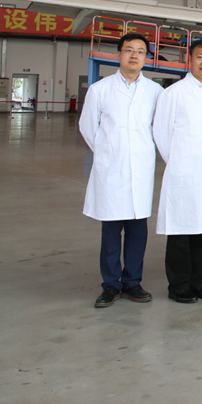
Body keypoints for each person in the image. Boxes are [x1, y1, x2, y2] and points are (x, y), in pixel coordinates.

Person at [79, 32, 163, 308]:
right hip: (111, 170)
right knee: (111, 231)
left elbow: (159, 128)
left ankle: (132, 282)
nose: (134, 55)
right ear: (118, 54)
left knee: (138, 230)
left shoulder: (155, 91)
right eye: (129, 50)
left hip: (141, 168)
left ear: (146, 58)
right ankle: (111, 284)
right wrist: (107, 151)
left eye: (140, 51)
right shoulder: (100, 89)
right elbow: (88, 127)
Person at [153, 39, 202, 303]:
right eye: (200, 57)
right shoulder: (174, 93)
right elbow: (161, 132)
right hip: (182, 174)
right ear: (190, 59)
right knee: (180, 234)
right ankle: (178, 285)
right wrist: (178, 161)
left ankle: (198, 283)